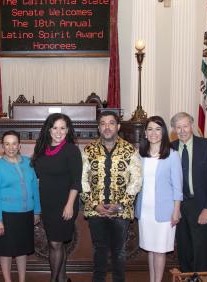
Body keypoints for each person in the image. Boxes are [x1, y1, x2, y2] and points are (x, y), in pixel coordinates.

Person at [80, 111, 142, 282]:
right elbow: (82, 180)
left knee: (119, 251)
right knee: (99, 250)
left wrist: (119, 206)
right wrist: (94, 205)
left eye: (111, 123)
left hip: (120, 212)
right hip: (95, 211)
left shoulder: (130, 150)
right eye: (103, 123)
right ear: (99, 127)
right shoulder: (89, 150)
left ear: (118, 126)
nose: (107, 127)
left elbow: (136, 181)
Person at [31, 113, 82, 282]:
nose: (58, 132)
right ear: (49, 129)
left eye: (62, 128)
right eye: (55, 128)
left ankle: (53, 280)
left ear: (67, 130)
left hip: (65, 204)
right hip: (47, 204)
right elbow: (35, 175)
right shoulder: (41, 149)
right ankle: (62, 279)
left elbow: (76, 181)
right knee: (58, 244)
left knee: (55, 243)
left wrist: (69, 205)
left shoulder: (71, 150)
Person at [170, 112, 207, 272]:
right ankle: (186, 277)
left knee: (202, 251)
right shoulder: (170, 149)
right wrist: (174, 208)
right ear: (174, 130)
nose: (182, 130)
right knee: (184, 250)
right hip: (179, 206)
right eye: (178, 127)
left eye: (185, 126)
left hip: (201, 205)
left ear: (192, 125)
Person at [135, 116, 182, 282]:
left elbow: (178, 187)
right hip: (145, 211)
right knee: (150, 248)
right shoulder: (140, 155)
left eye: (157, 129)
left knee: (160, 250)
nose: (153, 132)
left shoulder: (172, 156)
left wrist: (176, 211)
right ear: (145, 133)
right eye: (150, 129)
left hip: (164, 212)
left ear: (163, 132)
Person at [0, 131, 41, 282]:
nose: (10, 147)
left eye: (13, 143)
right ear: (2, 146)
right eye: (7, 144)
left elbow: (35, 188)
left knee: (22, 250)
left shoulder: (28, 162)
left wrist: (37, 210)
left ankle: (22, 279)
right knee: (5, 251)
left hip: (26, 213)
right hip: (7, 215)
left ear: (19, 145)